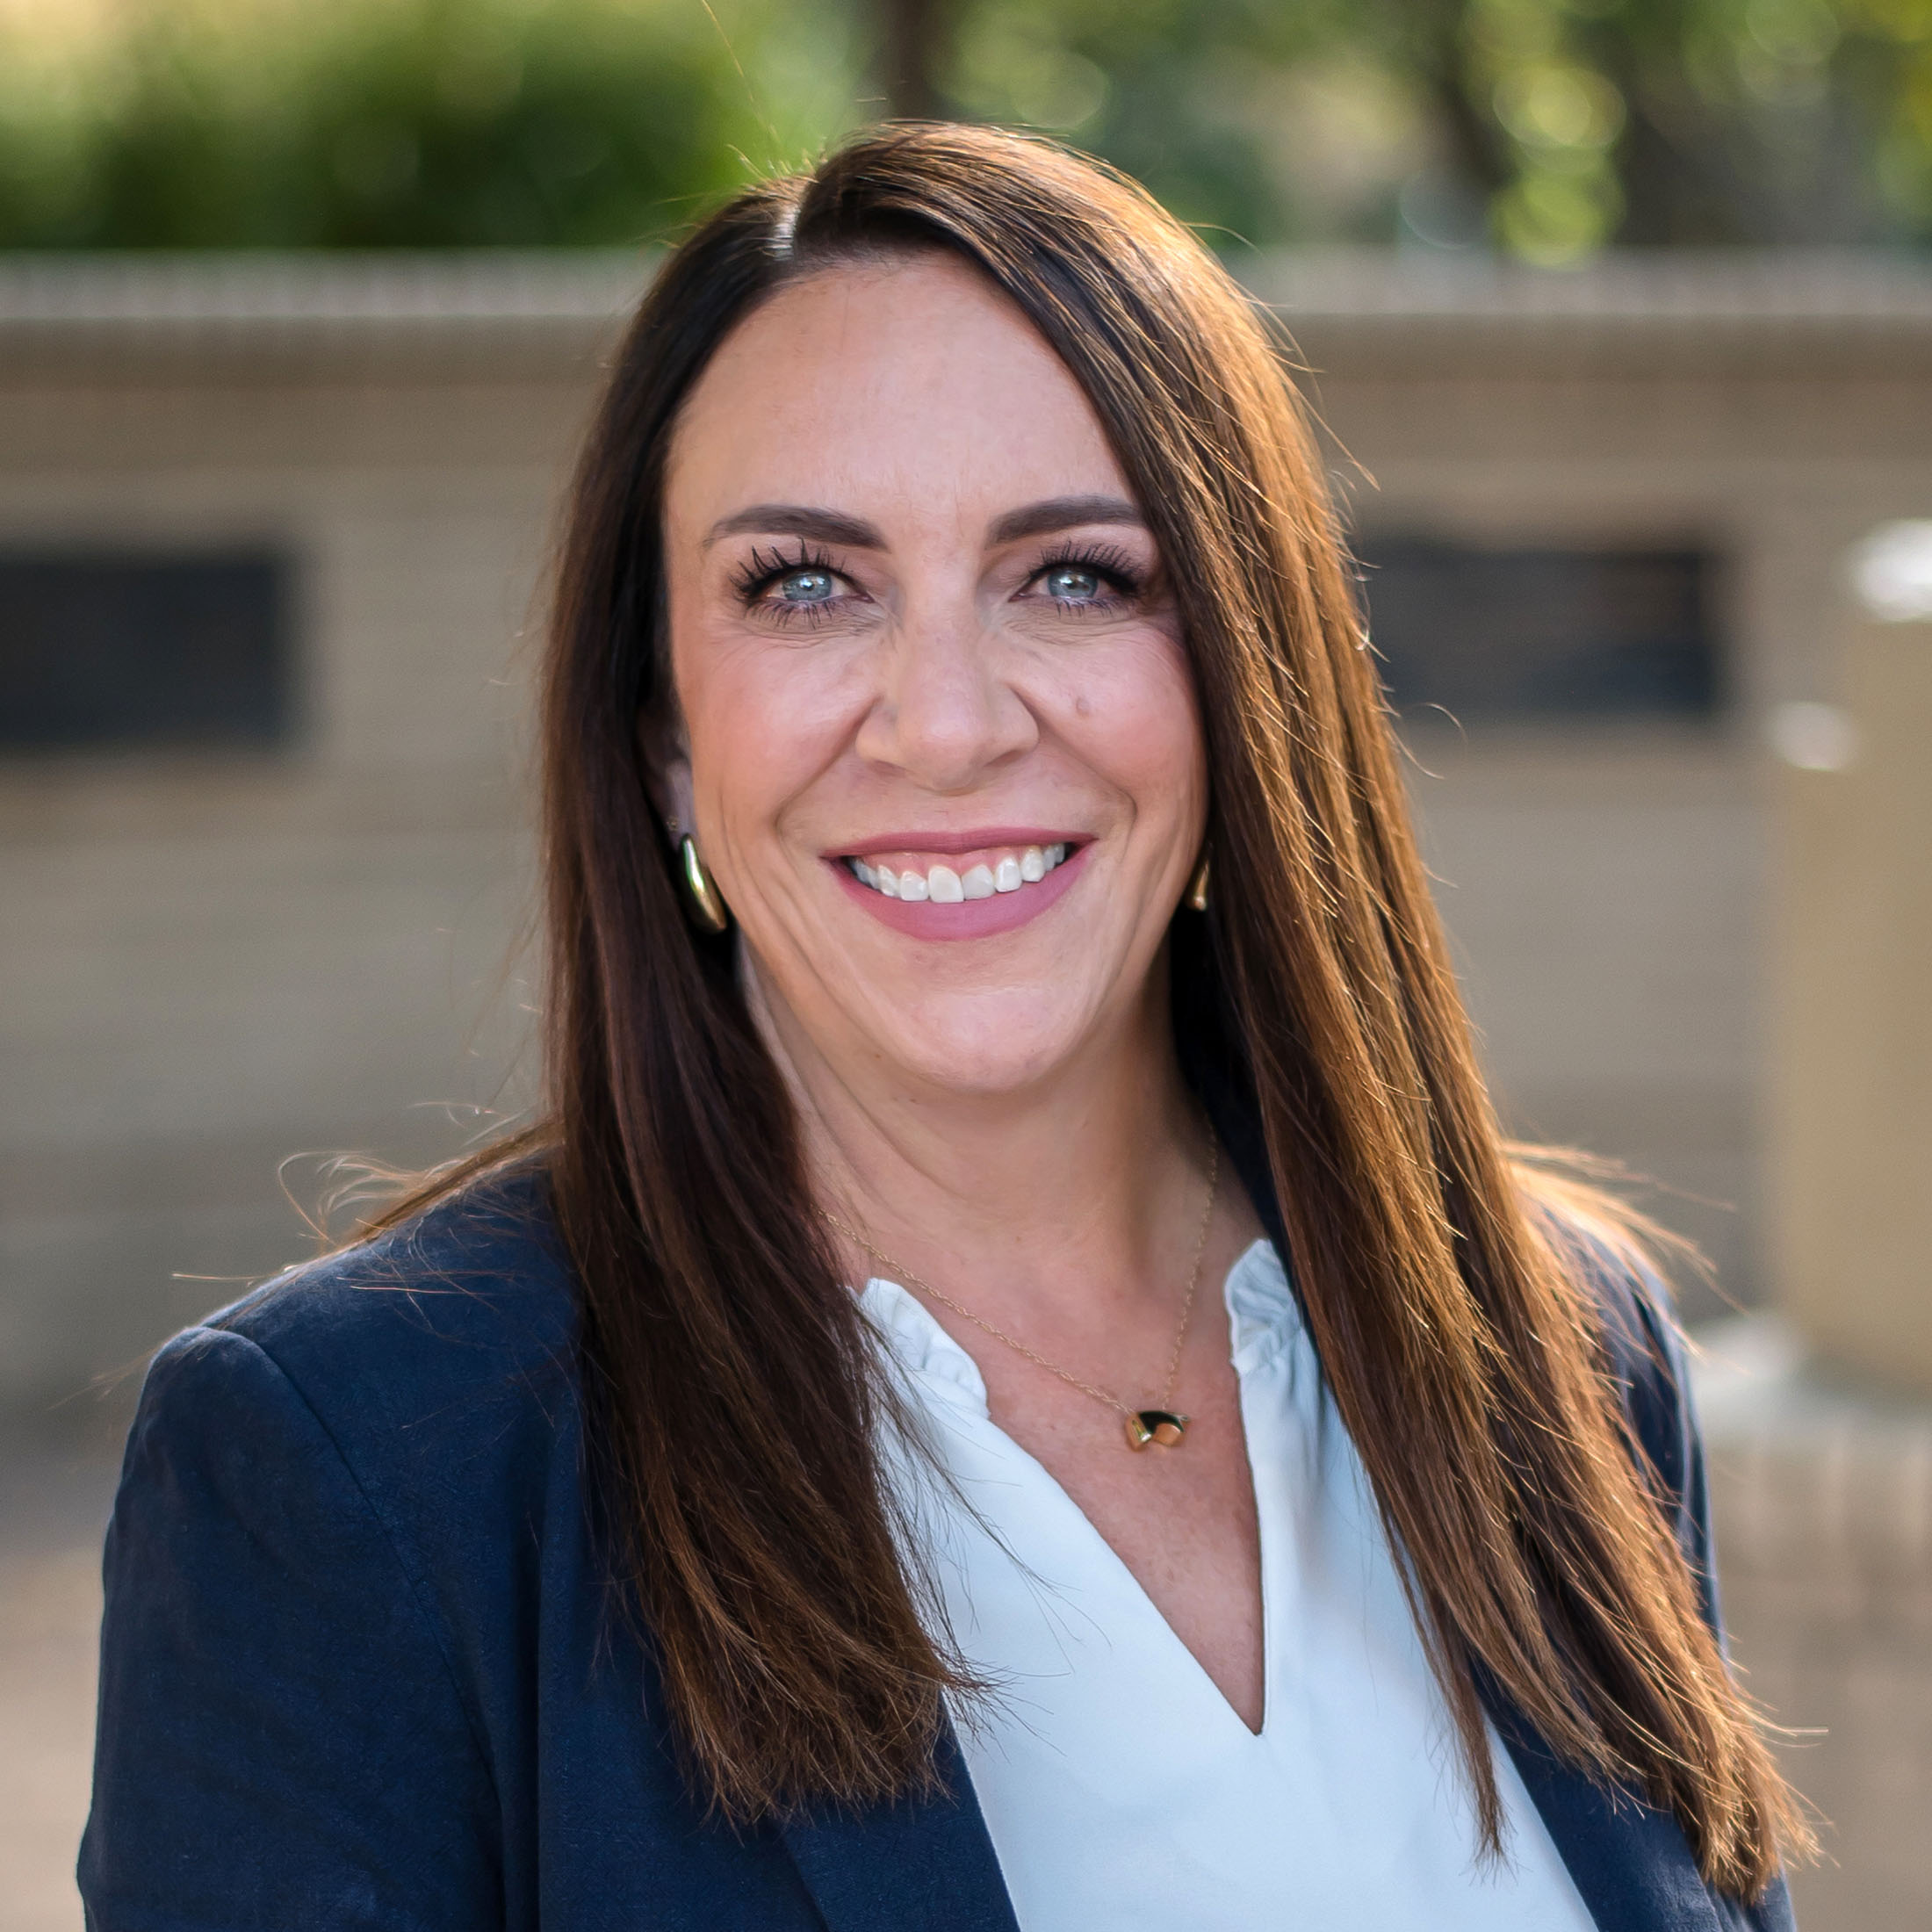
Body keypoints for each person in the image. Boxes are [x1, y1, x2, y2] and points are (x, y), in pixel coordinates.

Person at [80, 124, 1804, 1931]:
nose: (946, 723)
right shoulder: (355, 1467)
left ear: (1246, 674)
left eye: (1075, 575)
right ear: (664, 736)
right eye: (805, 585)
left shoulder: (1555, 1343)